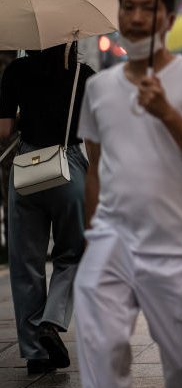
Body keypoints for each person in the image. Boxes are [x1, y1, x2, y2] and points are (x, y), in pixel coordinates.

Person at [74, 0, 182, 387]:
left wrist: (167, 114)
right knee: (100, 347)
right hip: (111, 240)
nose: (137, 17)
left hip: (174, 243)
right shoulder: (100, 88)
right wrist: (93, 235)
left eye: (148, 8)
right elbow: (96, 167)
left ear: (168, 17)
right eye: (128, 7)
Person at [0, 43, 94, 375]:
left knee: (25, 261)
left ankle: (35, 352)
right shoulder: (84, 77)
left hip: (27, 167)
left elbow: (4, 130)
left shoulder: (15, 72)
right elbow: (91, 136)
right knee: (73, 252)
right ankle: (52, 321)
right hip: (67, 167)